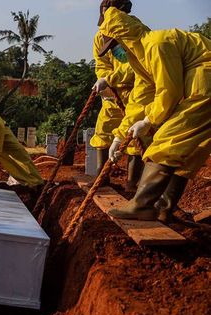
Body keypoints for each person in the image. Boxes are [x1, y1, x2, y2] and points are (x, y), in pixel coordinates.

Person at [99, 7, 211, 221]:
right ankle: (163, 207)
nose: (117, 51)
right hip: (202, 85)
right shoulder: (140, 61)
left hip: (204, 83)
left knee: (166, 140)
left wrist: (149, 120)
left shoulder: (157, 44)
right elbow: (140, 99)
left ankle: (141, 206)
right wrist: (119, 135)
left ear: (126, 36)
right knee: (188, 151)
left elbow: (169, 91)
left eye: (115, 44)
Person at [90, 0, 143, 191]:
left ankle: (132, 183)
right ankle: (101, 177)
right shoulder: (100, 37)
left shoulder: (136, 33)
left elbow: (138, 67)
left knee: (135, 135)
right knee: (103, 129)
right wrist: (104, 83)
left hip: (138, 90)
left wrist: (111, 79)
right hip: (113, 93)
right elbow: (101, 63)